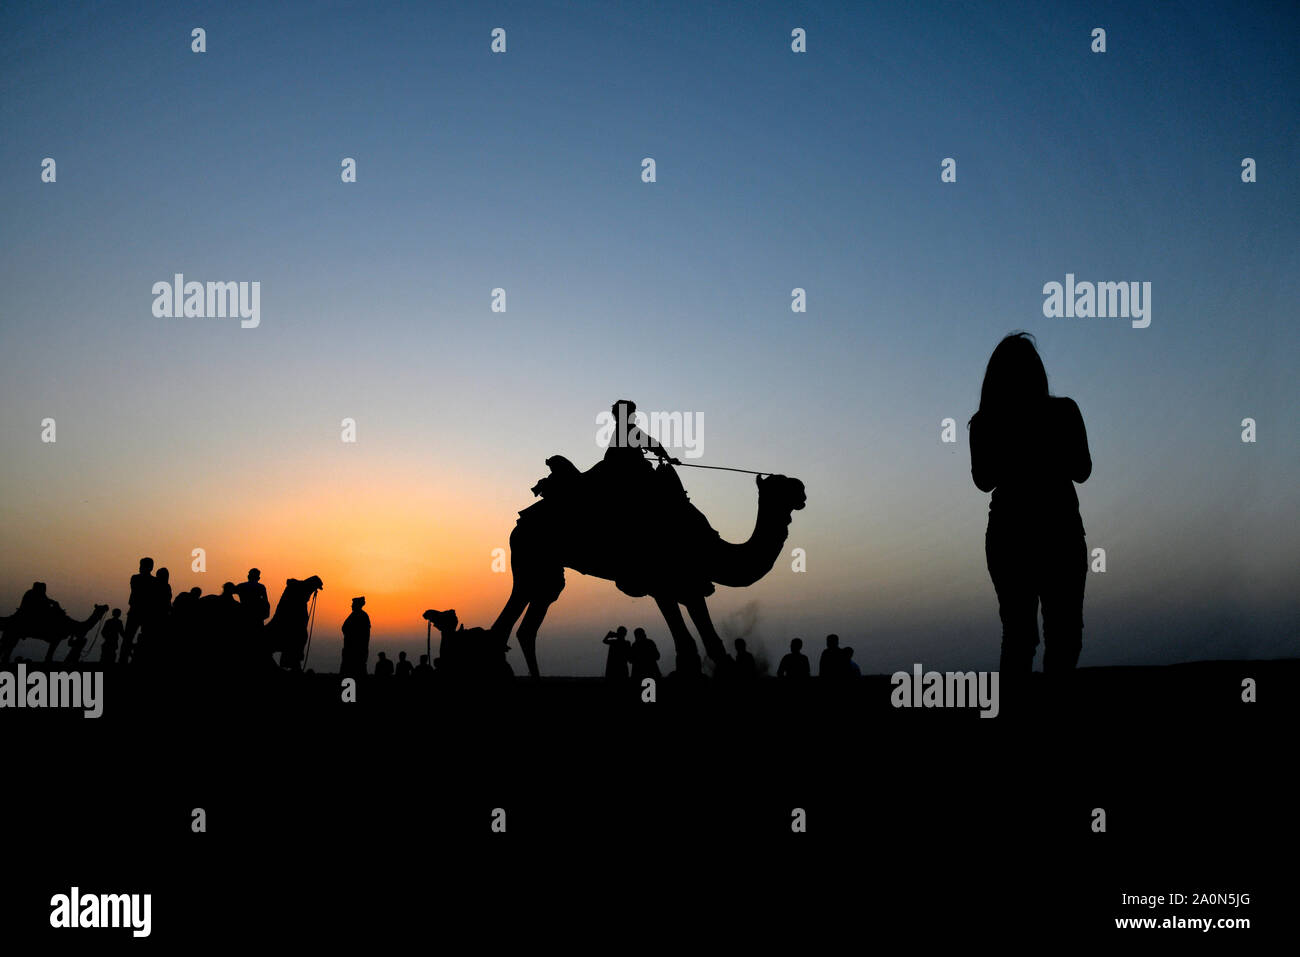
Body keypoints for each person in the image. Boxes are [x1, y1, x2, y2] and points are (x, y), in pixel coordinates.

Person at [969, 333, 1091, 678]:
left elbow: (983, 480)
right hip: (1056, 534)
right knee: (1061, 636)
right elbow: (1082, 470)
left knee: (1022, 637)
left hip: (1014, 537)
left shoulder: (985, 423)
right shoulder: (1062, 411)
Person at [120, 558, 154, 664]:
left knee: (129, 638)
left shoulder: (136, 578)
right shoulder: (153, 581)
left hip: (137, 612)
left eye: (141, 565)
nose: (139, 567)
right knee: (132, 638)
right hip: (144, 613)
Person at [340, 597, 371, 680]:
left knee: (356, 672)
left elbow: (364, 634)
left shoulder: (361, 616)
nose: (351, 606)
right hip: (352, 649)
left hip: (356, 650)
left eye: (353, 604)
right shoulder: (357, 615)